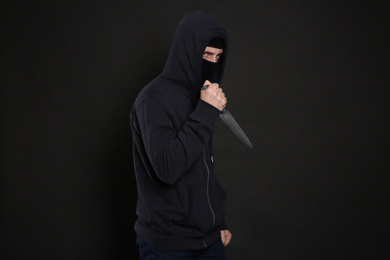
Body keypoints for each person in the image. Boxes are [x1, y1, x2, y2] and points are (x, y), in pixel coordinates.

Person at [130, 10, 232, 259]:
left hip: (209, 240)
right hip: (167, 246)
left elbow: (202, 167)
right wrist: (205, 111)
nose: (212, 62)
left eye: (218, 57)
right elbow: (168, 168)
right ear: (187, 50)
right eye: (207, 54)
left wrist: (218, 221)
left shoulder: (199, 97)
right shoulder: (154, 98)